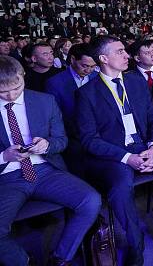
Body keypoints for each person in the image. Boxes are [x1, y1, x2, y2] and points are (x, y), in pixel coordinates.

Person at [75, 35, 153, 266]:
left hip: (143, 146)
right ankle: (135, 242)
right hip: (113, 155)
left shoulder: (136, 83)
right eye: (120, 51)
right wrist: (127, 158)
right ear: (103, 58)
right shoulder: (86, 93)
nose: (127, 55)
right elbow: (89, 140)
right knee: (121, 187)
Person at [0, 55, 101, 266]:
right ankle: (25, 261)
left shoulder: (44, 101)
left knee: (90, 200)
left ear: (23, 76)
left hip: (45, 170)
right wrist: (4, 156)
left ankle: (60, 258)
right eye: (2, 92)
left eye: (17, 88)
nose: (11, 95)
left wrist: (47, 145)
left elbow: (61, 140)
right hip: (6, 178)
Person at [45, 43, 98, 177]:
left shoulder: (98, 77)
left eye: (93, 66)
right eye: (84, 66)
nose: (88, 70)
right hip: (73, 133)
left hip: (100, 129)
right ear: (73, 59)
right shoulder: (55, 82)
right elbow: (56, 116)